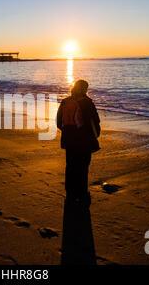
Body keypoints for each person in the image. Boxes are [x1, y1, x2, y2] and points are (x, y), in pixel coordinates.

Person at [56, 79, 100, 207]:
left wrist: (67, 132)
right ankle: (82, 193)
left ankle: (70, 192)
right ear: (85, 89)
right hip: (84, 140)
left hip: (68, 140)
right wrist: (95, 136)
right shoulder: (87, 103)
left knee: (70, 166)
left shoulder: (65, 102)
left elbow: (59, 122)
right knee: (82, 167)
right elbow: (95, 121)